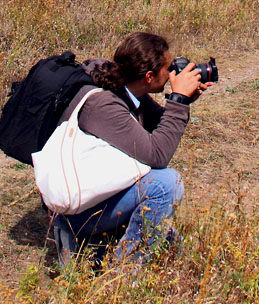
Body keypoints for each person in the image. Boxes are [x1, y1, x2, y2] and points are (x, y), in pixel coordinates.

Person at [51, 31, 211, 266]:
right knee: (166, 185)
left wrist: (184, 100)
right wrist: (177, 99)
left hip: (95, 194)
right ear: (148, 76)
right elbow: (158, 156)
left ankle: (104, 243)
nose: (171, 75)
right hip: (75, 213)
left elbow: (161, 125)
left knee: (169, 238)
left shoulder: (126, 88)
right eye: (168, 70)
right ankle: (126, 272)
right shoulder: (104, 104)